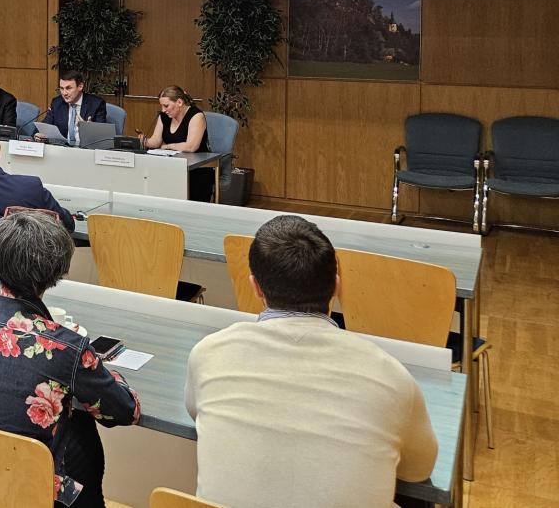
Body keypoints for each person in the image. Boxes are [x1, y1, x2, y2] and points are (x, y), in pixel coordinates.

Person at [184, 215, 438, 508]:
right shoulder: (390, 374)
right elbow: (418, 470)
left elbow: (195, 411)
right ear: (336, 286)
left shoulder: (209, 352)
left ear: (256, 287)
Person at [0, 210, 140, 507]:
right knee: (82, 431)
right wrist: (97, 366)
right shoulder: (67, 347)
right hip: (25, 489)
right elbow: (125, 412)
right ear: (56, 272)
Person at [140, 85, 212, 201]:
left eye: (166, 106)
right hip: (172, 166)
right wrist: (145, 141)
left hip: (196, 169)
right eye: (161, 106)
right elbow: (156, 141)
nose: (163, 110)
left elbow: (191, 146)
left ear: (179, 102)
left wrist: (168, 146)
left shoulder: (196, 115)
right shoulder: (164, 116)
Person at [36, 70, 107, 145]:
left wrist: (87, 129)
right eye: (62, 88)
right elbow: (45, 126)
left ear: (80, 86)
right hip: (61, 148)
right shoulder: (57, 103)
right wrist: (39, 135)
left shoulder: (96, 104)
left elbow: (102, 138)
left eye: (68, 88)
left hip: (85, 148)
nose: (64, 93)